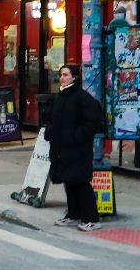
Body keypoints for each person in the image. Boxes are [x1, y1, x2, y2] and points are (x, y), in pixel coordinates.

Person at [46, 64, 108, 232]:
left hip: (78, 150)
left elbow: (94, 122)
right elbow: (51, 119)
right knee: (69, 181)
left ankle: (91, 219)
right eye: (61, 75)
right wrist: (50, 132)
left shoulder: (82, 97)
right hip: (62, 149)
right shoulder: (60, 96)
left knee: (80, 183)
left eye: (65, 75)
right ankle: (73, 214)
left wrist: (76, 136)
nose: (62, 78)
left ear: (74, 77)